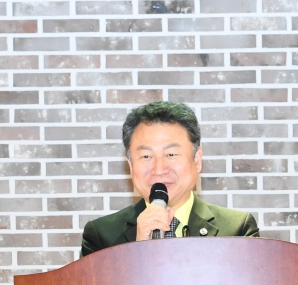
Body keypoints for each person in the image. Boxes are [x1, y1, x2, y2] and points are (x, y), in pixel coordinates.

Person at [79, 101, 261, 257]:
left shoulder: (237, 229)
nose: (159, 169)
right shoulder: (101, 235)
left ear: (197, 160)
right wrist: (139, 250)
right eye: (146, 156)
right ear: (131, 165)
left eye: (171, 154)